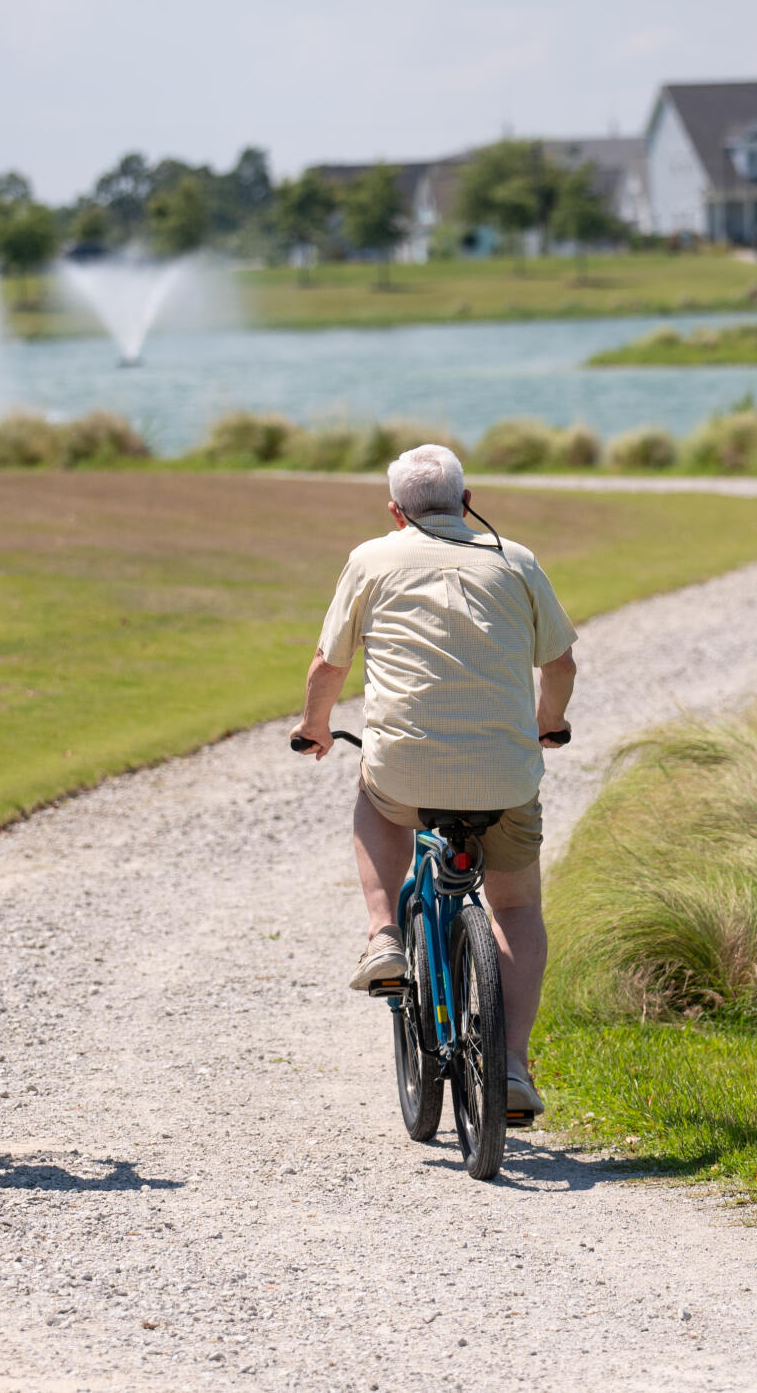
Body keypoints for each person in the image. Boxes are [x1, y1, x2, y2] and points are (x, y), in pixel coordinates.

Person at [296, 443, 575, 1120]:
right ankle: (511, 1067)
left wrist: (316, 728)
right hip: (505, 777)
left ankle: (383, 935)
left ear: (396, 513)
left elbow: (328, 666)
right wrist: (549, 724)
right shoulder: (516, 560)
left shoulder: (371, 559)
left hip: (406, 769)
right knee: (515, 908)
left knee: (377, 797)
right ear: (468, 502)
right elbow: (561, 664)